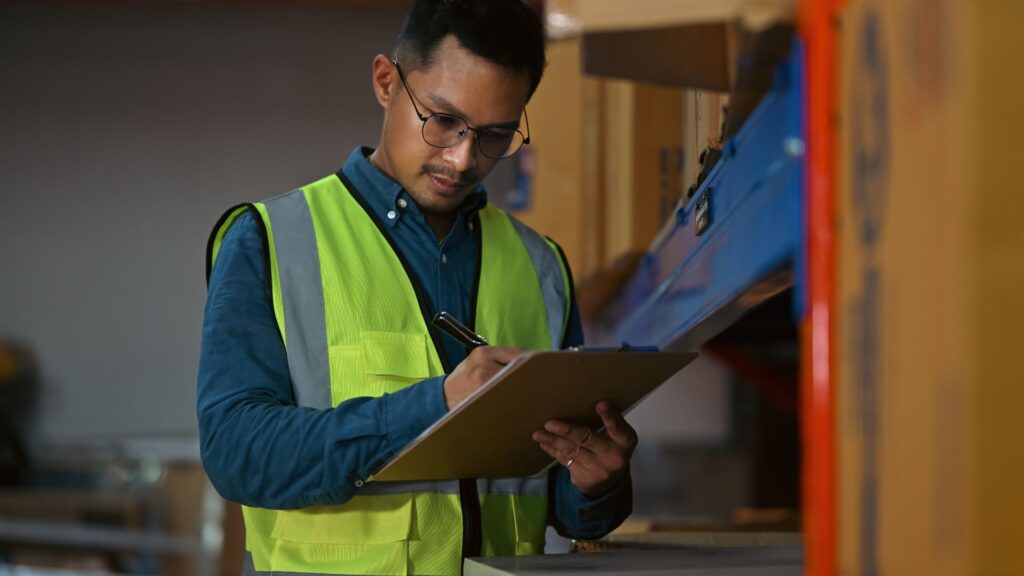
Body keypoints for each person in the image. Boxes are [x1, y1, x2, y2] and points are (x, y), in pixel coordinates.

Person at [197, 1, 637, 574]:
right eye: (443, 120)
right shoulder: (270, 241)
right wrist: (435, 407)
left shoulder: (542, 267)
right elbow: (239, 455)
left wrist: (597, 482)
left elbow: (561, 506)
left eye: (495, 135)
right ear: (386, 82)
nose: (461, 158)